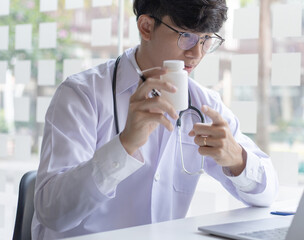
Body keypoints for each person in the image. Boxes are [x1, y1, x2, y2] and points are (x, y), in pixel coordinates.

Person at [32, 0, 278, 239]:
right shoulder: (81, 95)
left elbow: (267, 195)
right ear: (146, 27)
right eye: (186, 36)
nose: (196, 53)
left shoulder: (204, 104)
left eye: (206, 39)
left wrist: (238, 160)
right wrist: (124, 145)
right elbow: (52, 213)